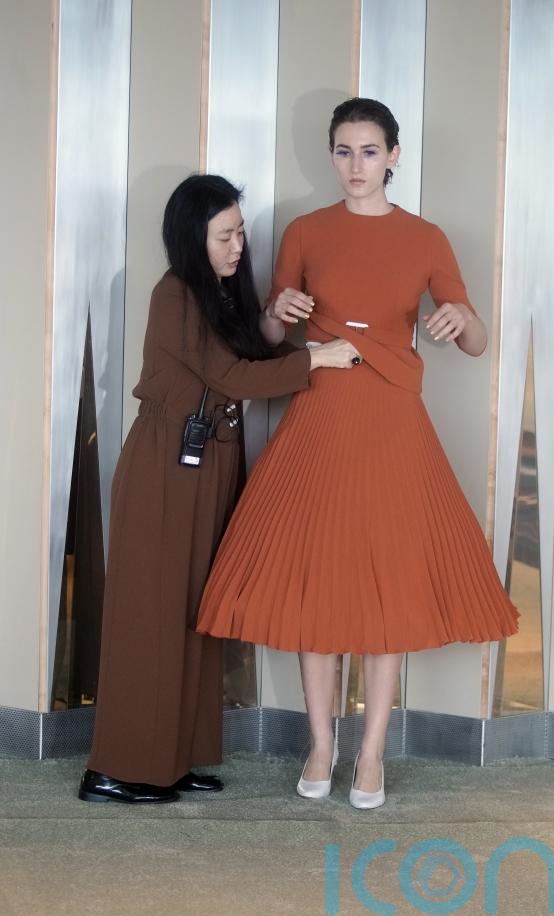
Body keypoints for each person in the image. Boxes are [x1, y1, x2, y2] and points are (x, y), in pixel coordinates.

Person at [196, 100, 519, 810]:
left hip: (393, 424)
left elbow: (474, 340)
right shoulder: (306, 231)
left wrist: (461, 316)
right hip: (320, 416)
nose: (355, 165)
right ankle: (321, 744)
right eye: (343, 151)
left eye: (369, 151)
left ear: (393, 155)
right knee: (319, 583)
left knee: (388, 587)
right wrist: (278, 314)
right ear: (332, 155)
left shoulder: (426, 237)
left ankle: (371, 753)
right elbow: (272, 338)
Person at [79, 174, 361, 804]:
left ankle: (172, 759)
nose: (238, 246)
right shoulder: (174, 294)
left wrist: (293, 334)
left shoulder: (219, 293)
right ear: (192, 237)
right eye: (224, 235)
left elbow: (253, 358)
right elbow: (230, 375)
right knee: (150, 615)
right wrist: (316, 359)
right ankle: (114, 769)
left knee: (196, 616)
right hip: (166, 468)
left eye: (239, 233)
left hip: (211, 464)